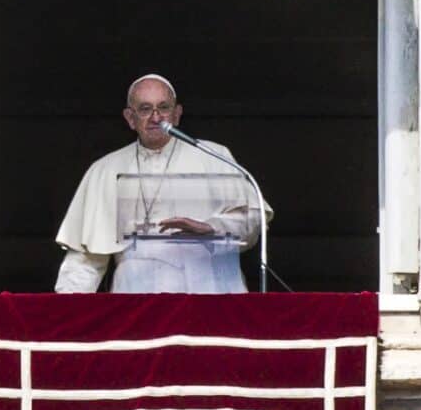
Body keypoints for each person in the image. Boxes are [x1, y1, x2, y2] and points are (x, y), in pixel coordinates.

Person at [54, 74, 271, 293]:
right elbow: (85, 259)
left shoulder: (215, 156)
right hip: (136, 296)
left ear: (177, 115)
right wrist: (66, 308)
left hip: (208, 291)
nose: (156, 117)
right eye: (145, 109)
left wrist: (211, 228)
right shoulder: (104, 169)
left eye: (164, 107)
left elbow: (252, 220)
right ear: (130, 118)